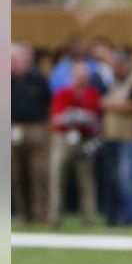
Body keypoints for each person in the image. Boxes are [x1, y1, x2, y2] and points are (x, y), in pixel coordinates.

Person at [48, 61, 102, 227]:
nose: (81, 77)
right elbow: (57, 119)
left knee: (86, 180)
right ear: (72, 76)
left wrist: (76, 116)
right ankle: (54, 217)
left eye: (84, 74)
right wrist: (77, 117)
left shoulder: (93, 93)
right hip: (64, 138)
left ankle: (89, 217)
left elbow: (95, 118)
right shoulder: (63, 93)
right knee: (57, 177)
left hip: (85, 139)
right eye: (78, 74)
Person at [98, 51, 132, 227]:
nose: (115, 70)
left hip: (129, 137)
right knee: (116, 179)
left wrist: (110, 104)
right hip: (112, 136)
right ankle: (117, 215)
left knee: (128, 178)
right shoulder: (114, 82)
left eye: (117, 66)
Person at [11, 43, 53, 225]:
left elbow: (48, 102)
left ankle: (41, 214)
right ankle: (23, 215)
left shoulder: (38, 79)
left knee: (39, 174)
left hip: (36, 129)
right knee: (16, 175)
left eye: (17, 59)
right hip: (13, 128)